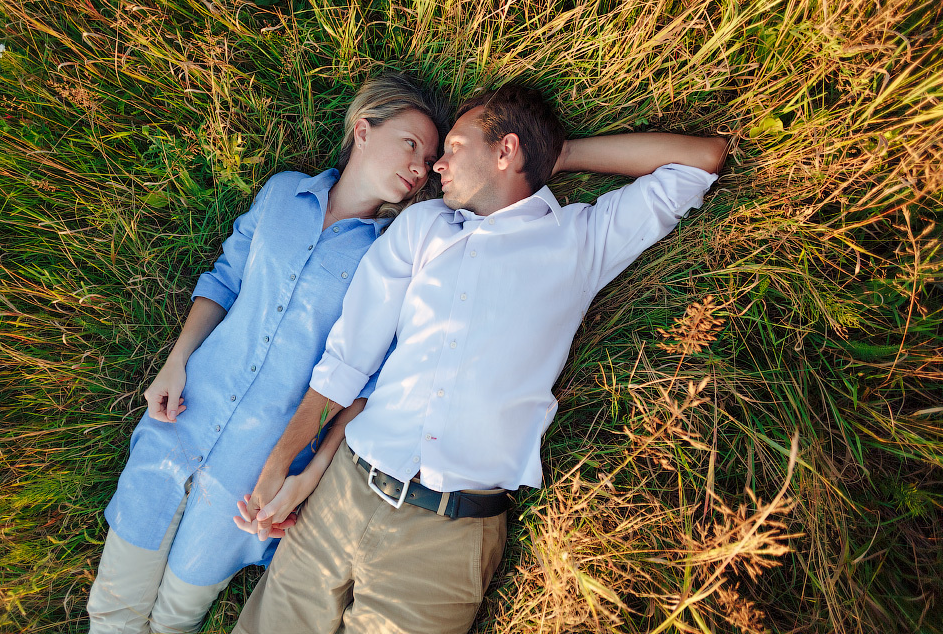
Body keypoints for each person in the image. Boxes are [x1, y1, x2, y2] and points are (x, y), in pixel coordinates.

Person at [230, 84, 730, 634]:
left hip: (446, 539)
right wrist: (282, 461)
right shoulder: (421, 230)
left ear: (505, 151)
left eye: (455, 146)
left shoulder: (581, 239)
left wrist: (558, 155)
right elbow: (347, 362)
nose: (436, 164)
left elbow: (701, 158)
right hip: (343, 492)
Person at [86, 73, 448, 634]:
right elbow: (225, 280)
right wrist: (176, 359)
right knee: (112, 609)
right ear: (363, 129)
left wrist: (313, 468)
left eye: (429, 159)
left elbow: (366, 383)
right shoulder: (283, 194)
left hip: (255, 472)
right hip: (182, 417)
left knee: (172, 622)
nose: (421, 167)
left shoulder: (391, 258)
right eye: (411, 144)